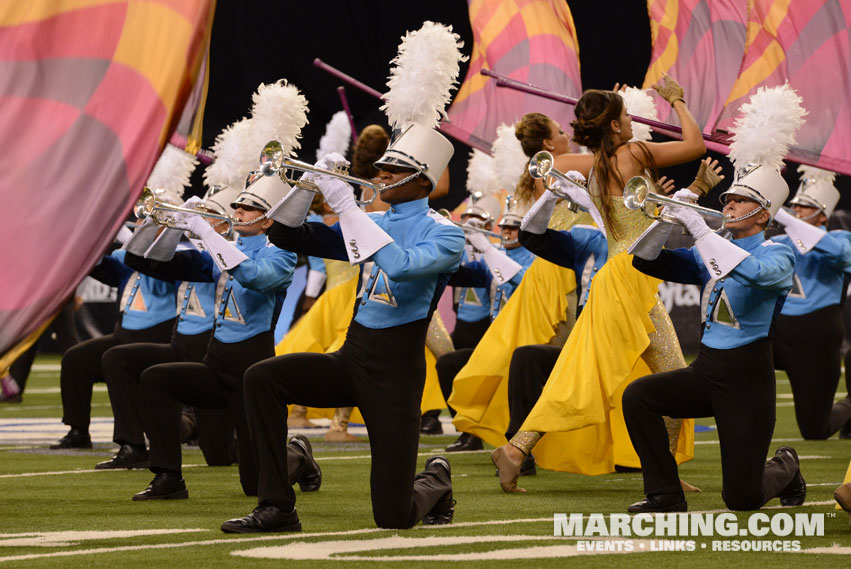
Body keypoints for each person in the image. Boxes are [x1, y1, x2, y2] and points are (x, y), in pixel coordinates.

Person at [221, 123, 464, 532]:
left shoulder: (447, 234)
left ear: (423, 179)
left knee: (394, 516)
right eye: (381, 166)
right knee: (262, 377)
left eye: (393, 169)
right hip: (352, 358)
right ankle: (278, 507)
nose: (381, 174)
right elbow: (285, 234)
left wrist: (349, 208)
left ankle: (436, 478)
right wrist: (308, 186)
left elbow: (401, 267)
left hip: (395, 377)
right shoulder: (374, 221)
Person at [491, 76, 704, 492]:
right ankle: (664, 475)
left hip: (615, 278)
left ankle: (517, 448)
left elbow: (547, 168)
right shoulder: (634, 153)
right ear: (613, 126)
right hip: (631, 278)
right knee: (672, 378)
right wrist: (677, 101)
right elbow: (695, 145)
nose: (631, 122)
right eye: (625, 117)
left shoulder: (591, 167)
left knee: (584, 374)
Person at [623, 164, 804, 512]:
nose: (729, 206)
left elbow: (754, 273)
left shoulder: (778, 253)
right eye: (728, 200)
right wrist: (670, 217)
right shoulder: (712, 249)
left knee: (742, 498)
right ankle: (665, 495)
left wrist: (698, 230)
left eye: (740, 201)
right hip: (706, 370)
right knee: (639, 396)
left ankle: (786, 465)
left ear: (763, 214)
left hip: (748, 382)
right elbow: (644, 261)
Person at [123, 169, 312, 500]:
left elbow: (250, 275)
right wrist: (171, 224)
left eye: (248, 207)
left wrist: (205, 234)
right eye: (237, 204)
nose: (237, 210)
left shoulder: (281, 256)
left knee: (254, 484)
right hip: (216, 365)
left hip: (253, 376)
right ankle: (168, 477)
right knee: (156, 379)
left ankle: (298, 454)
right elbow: (149, 261)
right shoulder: (223, 251)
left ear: (268, 220)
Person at [99, 189, 241, 470]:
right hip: (180, 346)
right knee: (117, 358)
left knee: (219, 456)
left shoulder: (230, 255)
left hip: (213, 355)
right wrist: (160, 221)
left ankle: (291, 449)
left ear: (226, 224)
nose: (198, 222)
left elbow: (209, 260)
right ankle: (134, 445)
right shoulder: (189, 250)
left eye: (208, 217)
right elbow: (137, 260)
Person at [50, 244, 176, 449]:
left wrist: (138, 245)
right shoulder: (126, 256)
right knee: (76, 359)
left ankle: (133, 443)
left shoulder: (176, 254)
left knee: (118, 361)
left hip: (159, 334)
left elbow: (158, 269)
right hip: (124, 333)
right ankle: (78, 430)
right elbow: (103, 269)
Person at [437, 206, 535, 451]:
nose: (508, 233)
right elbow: (463, 276)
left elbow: (523, 281)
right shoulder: (494, 256)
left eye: (514, 228)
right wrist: (452, 249)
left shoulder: (535, 258)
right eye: (505, 228)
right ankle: (469, 433)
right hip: (494, 342)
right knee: (448, 362)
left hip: (522, 340)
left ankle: (519, 446)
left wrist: (489, 249)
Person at [769, 166, 851, 439]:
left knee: (815, 430)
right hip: (778, 332)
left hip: (817, 337)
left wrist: (781, 214)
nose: (796, 210)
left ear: (823, 212)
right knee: (736, 359)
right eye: (793, 205)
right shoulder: (779, 240)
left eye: (805, 206)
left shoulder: (840, 239)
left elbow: (837, 253)